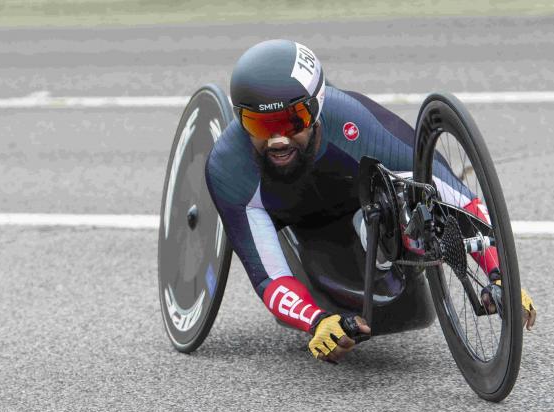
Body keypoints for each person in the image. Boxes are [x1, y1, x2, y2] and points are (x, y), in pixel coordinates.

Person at [205, 39, 536, 363]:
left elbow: (453, 193)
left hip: (362, 204)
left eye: (293, 122)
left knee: (421, 190)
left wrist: (500, 275)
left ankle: (398, 236)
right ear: (240, 119)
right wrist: (316, 321)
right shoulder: (228, 168)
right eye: (260, 125)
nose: (278, 140)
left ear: (318, 107)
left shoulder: (351, 119)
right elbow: (270, 277)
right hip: (298, 228)